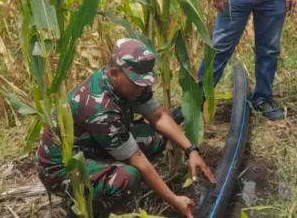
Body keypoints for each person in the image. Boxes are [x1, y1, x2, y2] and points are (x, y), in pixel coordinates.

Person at [35, 39, 216, 218]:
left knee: (155, 138)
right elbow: (136, 157)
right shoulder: (100, 109)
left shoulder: (132, 83)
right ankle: (84, 209)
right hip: (62, 166)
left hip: (91, 146)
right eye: (136, 83)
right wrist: (174, 200)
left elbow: (158, 117)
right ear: (114, 73)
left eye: (145, 83)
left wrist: (191, 150)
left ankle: (104, 176)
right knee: (127, 179)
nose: (141, 89)